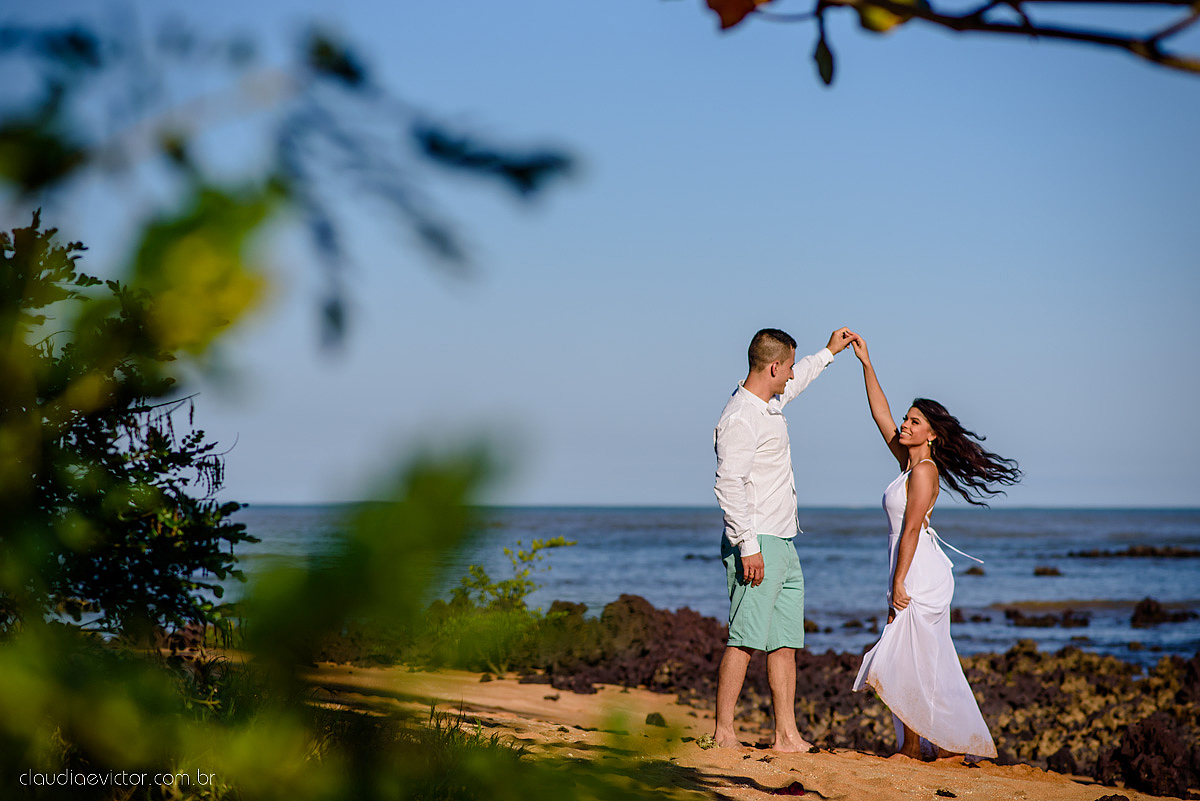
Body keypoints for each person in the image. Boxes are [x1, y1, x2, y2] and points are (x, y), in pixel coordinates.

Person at [847, 334, 1020, 760]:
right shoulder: (908, 464)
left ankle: (927, 744)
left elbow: (909, 531)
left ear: (932, 435)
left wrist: (899, 582)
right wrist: (867, 364)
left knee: (914, 658)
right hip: (908, 565)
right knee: (913, 658)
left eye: (913, 422)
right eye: (906, 420)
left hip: (918, 570)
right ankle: (918, 743)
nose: (904, 425)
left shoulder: (924, 471)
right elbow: (879, 414)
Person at [712, 326, 858, 750]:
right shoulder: (740, 417)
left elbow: (802, 380)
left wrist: (829, 352)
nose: (793, 375)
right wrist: (749, 546)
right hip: (757, 542)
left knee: (785, 642)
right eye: (789, 367)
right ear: (774, 366)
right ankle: (723, 733)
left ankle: (786, 735)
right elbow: (728, 484)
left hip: (784, 540)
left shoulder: (769, 404)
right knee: (745, 637)